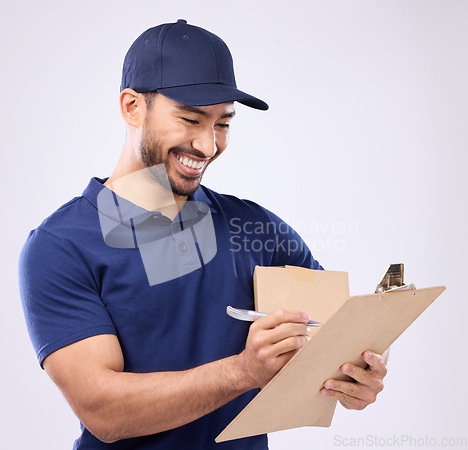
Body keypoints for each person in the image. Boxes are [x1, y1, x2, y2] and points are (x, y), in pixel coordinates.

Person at [19, 19, 388, 449]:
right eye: (190, 119)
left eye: (223, 124)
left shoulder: (255, 227)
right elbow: (104, 411)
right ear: (131, 107)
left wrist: (359, 373)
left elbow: (341, 331)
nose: (208, 145)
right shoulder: (61, 246)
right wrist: (244, 370)